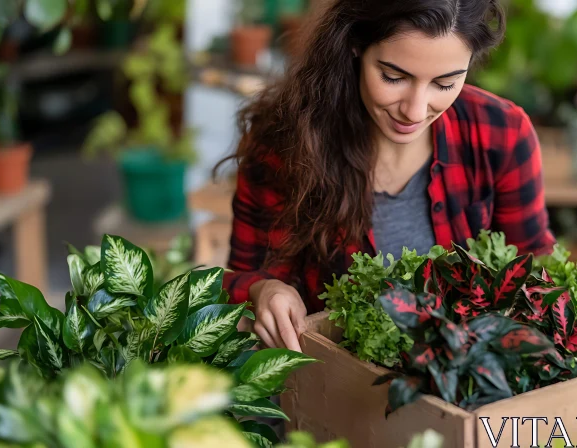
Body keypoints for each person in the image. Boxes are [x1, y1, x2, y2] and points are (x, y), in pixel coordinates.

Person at [214, 0, 556, 352]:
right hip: (333, 384)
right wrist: (263, 290)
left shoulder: (502, 133)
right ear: (355, 44)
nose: (415, 109)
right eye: (394, 77)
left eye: (445, 83)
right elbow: (242, 277)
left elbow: (535, 268)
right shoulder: (287, 144)